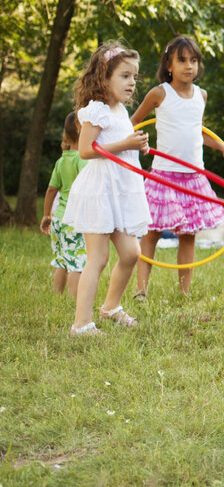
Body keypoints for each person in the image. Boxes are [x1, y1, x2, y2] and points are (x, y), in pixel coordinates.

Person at [131, 35, 224, 298]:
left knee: (188, 235)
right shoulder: (159, 93)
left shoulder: (201, 95)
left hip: (193, 177)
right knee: (151, 233)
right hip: (163, 175)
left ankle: (184, 292)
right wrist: (131, 142)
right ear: (169, 65)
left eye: (193, 60)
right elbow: (133, 122)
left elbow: (199, 133)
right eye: (181, 60)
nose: (188, 66)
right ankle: (141, 290)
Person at [61, 42, 152, 336]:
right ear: (105, 77)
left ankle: (111, 307)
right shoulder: (95, 110)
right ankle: (81, 324)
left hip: (121, 192)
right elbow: (86, 150)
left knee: (131, 253)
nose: (132, 83)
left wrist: (139, 146)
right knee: (97, 259)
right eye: (125, 76)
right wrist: (125, 144)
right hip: (100, 191)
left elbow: (124, 148)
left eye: (134, 77)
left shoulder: (122, 111)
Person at [41, 111, 87, 299]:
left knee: (60, 259)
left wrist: (47, 215)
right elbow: (87, 189)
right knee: (77, 261)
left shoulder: (61, 161)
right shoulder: (83, 159)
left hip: (59, 218)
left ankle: (57, 297)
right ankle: (74, 301)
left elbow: (51, 190)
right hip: (75, 220)